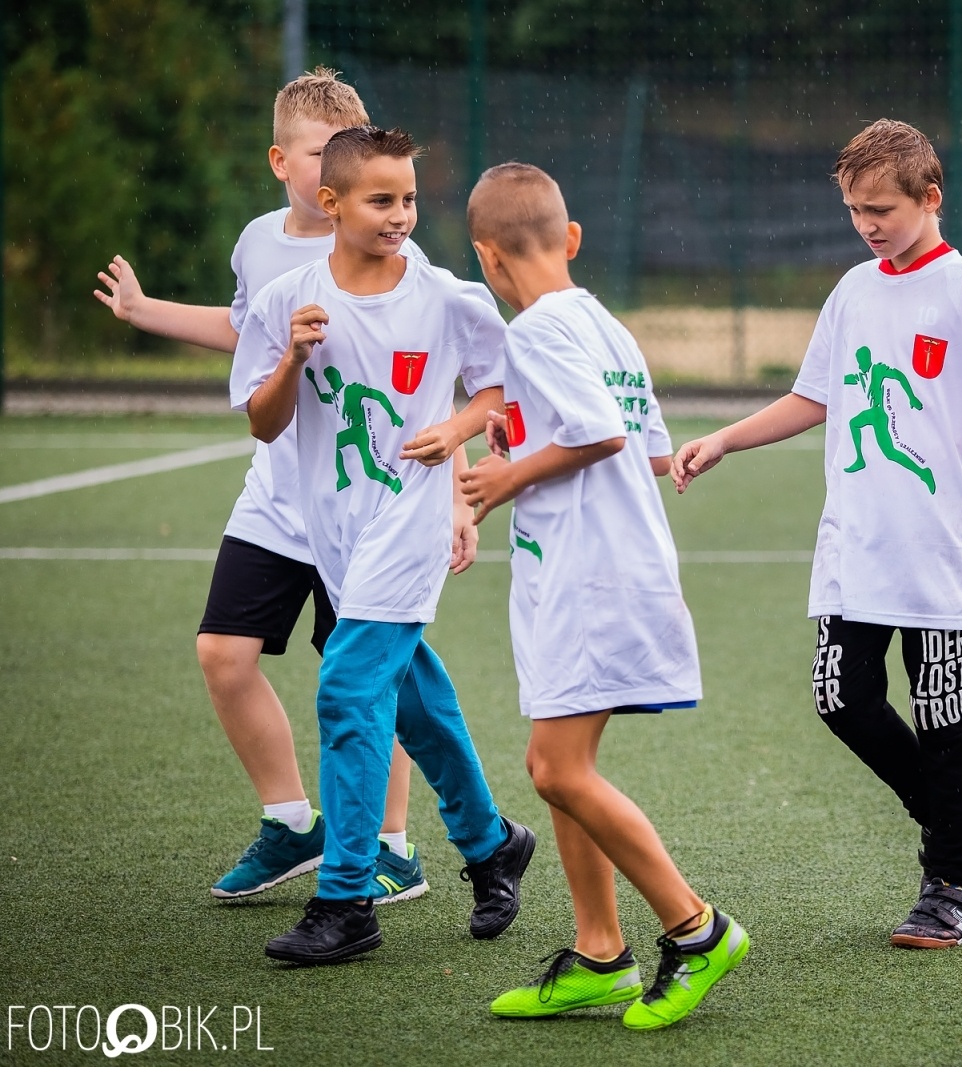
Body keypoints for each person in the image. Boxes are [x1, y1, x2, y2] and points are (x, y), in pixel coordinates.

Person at [671, 119, 962, 949]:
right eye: (854, 210)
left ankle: (956, 887)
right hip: (855, 544)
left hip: (938, 549)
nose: (867, 224)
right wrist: (726, 436)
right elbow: (815, 398)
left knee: (945, 712)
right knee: (841, 696)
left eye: (881, 208)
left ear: (930, 198)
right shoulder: (853, 291)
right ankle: (955, 814)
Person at [91, 68, 456, 905]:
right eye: (323, 152)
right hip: (278, 496)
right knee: (222, 654)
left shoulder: (395, 249)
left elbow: (435, 378)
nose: (340, 168)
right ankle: (292, 823)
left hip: (365, 504)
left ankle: (392, 845)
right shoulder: (260, 243)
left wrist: (459, 495)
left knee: (375, 674)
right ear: (281, 162)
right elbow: (244, 329)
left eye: (351, 152)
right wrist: (146, 311)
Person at [234, 126, 533, 965]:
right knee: (411, 694)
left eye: (407, 198)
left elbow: (500, 389)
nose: (400, 214)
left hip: (409, 521)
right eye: (379, 200)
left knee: (347, 688)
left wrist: (457, 427)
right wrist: (293, 356)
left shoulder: (444, 297)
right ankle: (491, 842)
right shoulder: (286, 300)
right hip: (334, 528)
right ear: (329, 204)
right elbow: (264, 422)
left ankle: (347, 897)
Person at [458, 163, 747, 1029]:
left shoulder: (537, 331)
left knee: (556, 767)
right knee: (555, 769)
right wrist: (528, 436)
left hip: (592, 576)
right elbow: (648, 450)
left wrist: (505, 473)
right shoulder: (605, 326)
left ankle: (697, 929)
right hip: (585, 569)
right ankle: (598, 953)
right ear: (572, 238)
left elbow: (602, 434)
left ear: (484, 258)